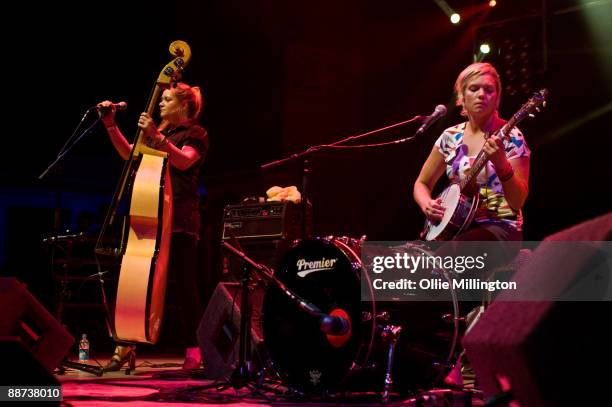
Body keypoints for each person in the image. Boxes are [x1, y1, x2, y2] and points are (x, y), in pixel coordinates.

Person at [97, 82, 209, 371]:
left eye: (167, 99)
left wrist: (156, 136)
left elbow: (184, 161)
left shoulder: (195, 133)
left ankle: (196, 350)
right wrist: (111, 126)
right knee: (138, 283)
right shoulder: (163, 132)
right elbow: (129, 154)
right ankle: (125, 344)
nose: (160, 103)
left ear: (183, 106)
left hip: (181, 219)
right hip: (152, 215)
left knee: (184, 287)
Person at [413, 62, 530, 243]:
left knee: (453, 254)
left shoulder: (512, 137)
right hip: (454, 228)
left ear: (497, 98)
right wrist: (426, 203)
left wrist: (501, 164)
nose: (481, 95)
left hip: (500, 229)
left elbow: (517, 202)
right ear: (461, 97)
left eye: (489, 90)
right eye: (474, 89)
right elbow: (422, 183)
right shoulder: (450, 136)